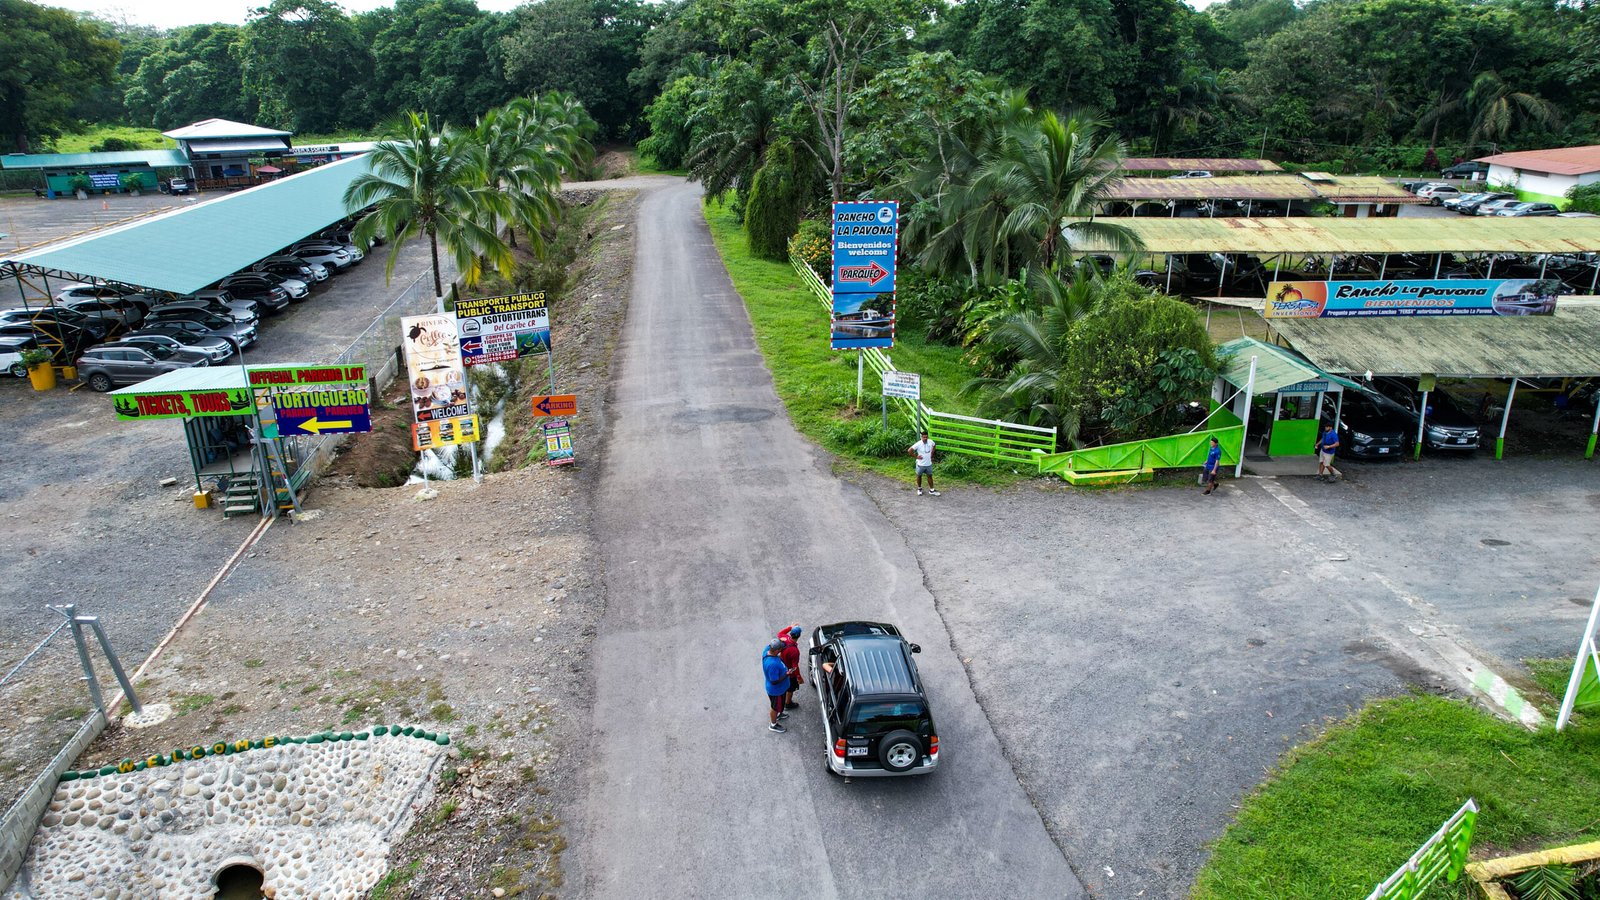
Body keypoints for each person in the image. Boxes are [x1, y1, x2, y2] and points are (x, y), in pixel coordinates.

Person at [762, 640, 790, 732]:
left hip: (780, 690)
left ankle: (779, 714)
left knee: (778, 706)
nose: (782, 649)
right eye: (780, 648)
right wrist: (787, 674)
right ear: (776, 650)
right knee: (774, 708)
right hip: (777, 691)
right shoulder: (772, 664)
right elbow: (774, 681)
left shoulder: (767, 650)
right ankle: (773, 725)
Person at [777, 624, 803, 710]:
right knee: (791, 688)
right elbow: (795, 667)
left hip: (781, 667)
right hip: (789, 673)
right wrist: (798, 677)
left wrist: (790, 627)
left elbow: (780, 633)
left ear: (791, 634)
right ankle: (788, 703)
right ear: (799, 636)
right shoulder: (795, 651)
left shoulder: (784, 638)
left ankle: (782, 701)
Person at [908, 430, 939, 496]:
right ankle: (919, 489)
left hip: (929, 464)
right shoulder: (918, 444)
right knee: (919, 476)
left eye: (926, 437)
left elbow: (934, 445)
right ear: (921, 437)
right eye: (924, 437)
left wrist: (932, 454)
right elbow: (909, 450)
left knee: (930, 476)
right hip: (920, 464)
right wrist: (916, 457)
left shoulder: (930, 442)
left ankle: (932, 490)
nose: (925, 439)